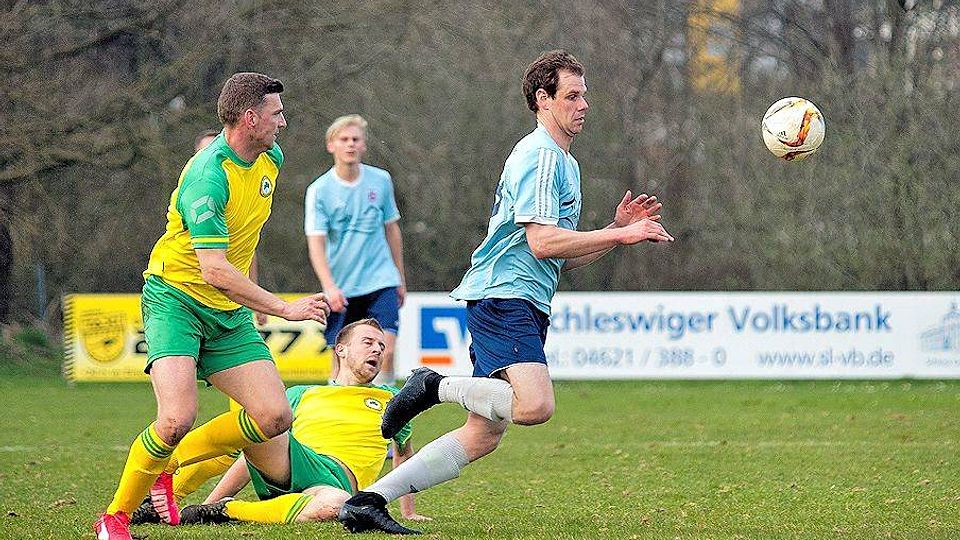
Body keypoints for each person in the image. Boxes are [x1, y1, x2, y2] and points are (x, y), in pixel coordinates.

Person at [337, 50, 674, 534]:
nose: (583, 105)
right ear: (543, 99)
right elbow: (542, 243)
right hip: (505, 295)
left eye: (584, 96)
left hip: (522, 297)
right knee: (535, 406)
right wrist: (619, 235)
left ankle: (368, 501)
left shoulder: (564, 161)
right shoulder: (541, 156)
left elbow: (560, 257)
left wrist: (614, 231)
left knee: (482, 434)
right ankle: (433, 386)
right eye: (572, 96)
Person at [93, 72, 330, 540]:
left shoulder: (270, 159)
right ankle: (115, 518)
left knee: (275, 417)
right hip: (176, 299)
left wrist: (252, 294)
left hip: (226, 311)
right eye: (276, 114)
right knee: (176, 419)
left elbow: (244, 238)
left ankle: (168, 466)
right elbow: (214, 269)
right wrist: (283, 309)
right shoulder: (206, 177)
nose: (283, 122)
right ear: (250, 118)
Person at [131, 318, 429, 531]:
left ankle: (228, 511)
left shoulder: (393, 398)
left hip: (334, 483)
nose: (377, 350)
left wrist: (408, 512)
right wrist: (210, 499)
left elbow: (404, 456)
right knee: (257, 418)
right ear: (341, 350)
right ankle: (164, 499)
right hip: (291, 462)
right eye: (368, 342)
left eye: (381, 345)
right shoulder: (302, 393)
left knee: (336, 505)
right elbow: (252, 448)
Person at [305, 115, 407, 385]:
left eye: (355, 139)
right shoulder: (319, 190)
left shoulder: (381, 180)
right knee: (341, 358)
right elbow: (316, 242)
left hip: (381, 280)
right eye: (344, 139)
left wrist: (399, 277)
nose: (350, 144)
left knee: (386, 350)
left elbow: (392, 229)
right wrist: (329, 286)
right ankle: (334, 406)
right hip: (342, 287)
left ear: (363, 145)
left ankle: (387, 407)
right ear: (331, 145)